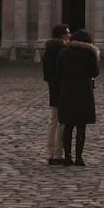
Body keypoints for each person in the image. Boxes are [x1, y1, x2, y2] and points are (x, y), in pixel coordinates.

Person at [56, 28, 100, 167]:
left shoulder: (63, 53)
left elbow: (58, 72)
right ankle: (79, 158)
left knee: (68, 125)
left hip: (67, 91)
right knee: (81, 126)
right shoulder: (89, 53)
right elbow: (95, 72)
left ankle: (68, 157)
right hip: (83, 93)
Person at [40, 24, 70, 165]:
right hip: (63, 89)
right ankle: (58, 154)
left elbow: (45, 74)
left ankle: (50, 153)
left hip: (53, 89)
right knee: (62, 122)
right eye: (67, 33)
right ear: (62, 35)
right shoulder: (64, 51)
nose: (69, 35)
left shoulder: (48, 51)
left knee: (52, 122)